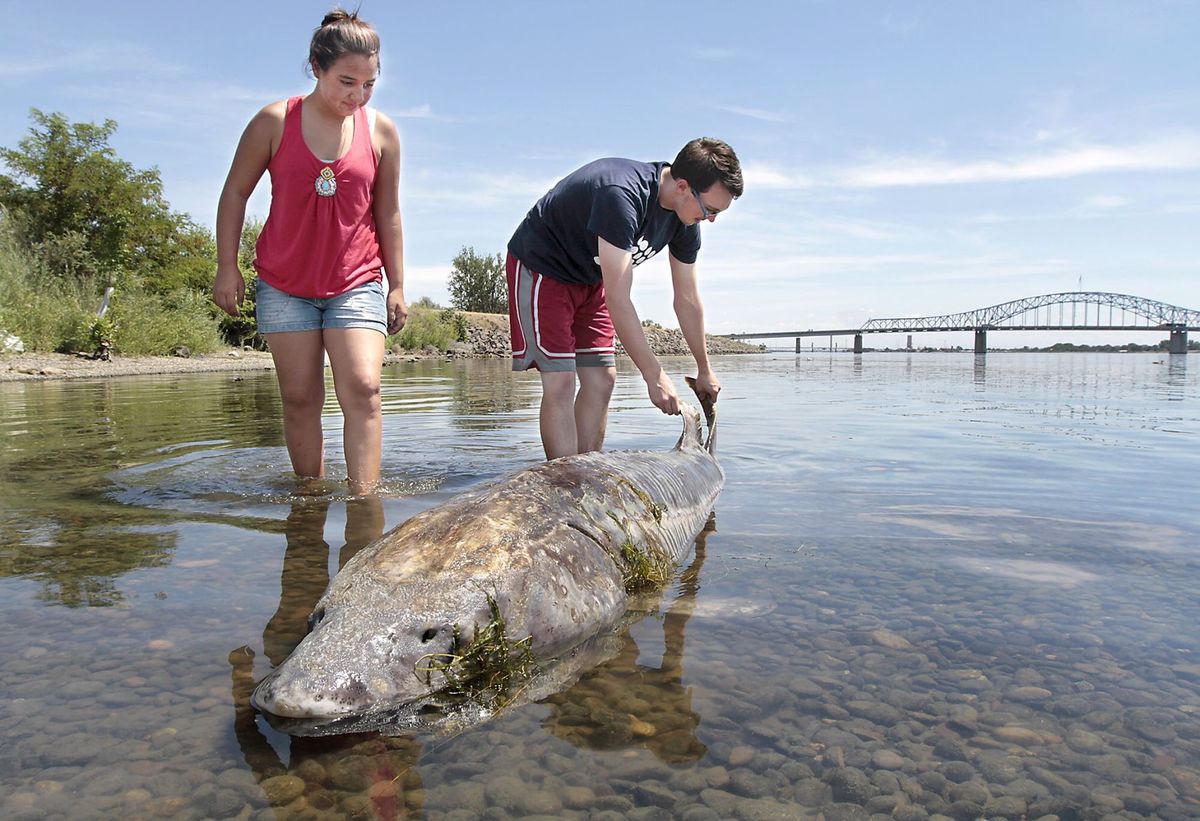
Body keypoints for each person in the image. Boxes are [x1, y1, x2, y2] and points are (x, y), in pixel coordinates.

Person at [212, 8, 406, 495]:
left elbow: (388, 213)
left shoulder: (381, 132)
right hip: (284, 283)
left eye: (368, 84)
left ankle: (365, 503)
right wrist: (226, 267)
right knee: (300, 397)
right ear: (316, 67)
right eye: (346, 81)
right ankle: (310, 500)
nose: (356, 95)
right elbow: (235, 192)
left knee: (364, 389)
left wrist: (398, 284)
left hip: (357, 278)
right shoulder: (274, 121)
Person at [506, 138, 743, 460]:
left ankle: (585, 473)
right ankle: (562, 485)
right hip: (543, 269)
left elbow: (686, 298)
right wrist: (654, 375)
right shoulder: (620, 193)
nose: (711, 219)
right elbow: (619, 297)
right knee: (561, 381)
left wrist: (704, 368)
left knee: (603, 378)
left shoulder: (686, 219)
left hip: (591, 279)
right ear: (684, 186)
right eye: (711, 210)